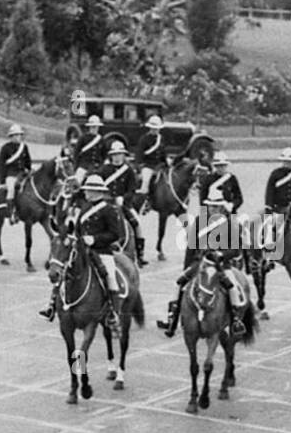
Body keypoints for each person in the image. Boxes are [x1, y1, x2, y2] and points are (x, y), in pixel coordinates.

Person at [38, 175, 124, 331]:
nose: (85, 193)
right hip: (82, 250)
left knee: (111, 278)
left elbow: (115, 234)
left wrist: (95, 239)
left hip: (101, 250)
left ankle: (113, 313)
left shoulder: (109, 210)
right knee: (62, 269)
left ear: (96, 191)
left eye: (88, 190)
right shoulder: (85, 208)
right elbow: (77, 230)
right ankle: (51, 304)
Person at [162, 198, 247, 339]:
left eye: (216, 206)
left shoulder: (230, 224)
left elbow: (236, 250)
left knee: (233, 287)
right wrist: (187, 267)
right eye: (210, 206)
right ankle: (173, 318)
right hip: (200, 264)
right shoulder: (199, 222)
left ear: (221, 208)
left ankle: (236, 321)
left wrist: (221, 254)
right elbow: (191, 247)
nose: (212, 209)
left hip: (220, 265)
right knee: (178, 284)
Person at [101, 140, 146, 266]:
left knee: (137, 223)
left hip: (124, 204)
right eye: (115, 154)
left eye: (119, 154)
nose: (117, 156)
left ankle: (140, 254)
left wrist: (123, 198)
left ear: (123, 155)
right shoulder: (105, 169)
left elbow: (132, 190)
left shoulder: (129, 170)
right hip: (107, 203)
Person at [133, 114, 167, 209]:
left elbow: (163, 153)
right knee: (146, 181)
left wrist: (167, 163)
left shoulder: (161, 139)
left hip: (159, 166)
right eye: (153, 128)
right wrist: (139, 166)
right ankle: (145, 203)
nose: (155, 130)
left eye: (156, 128)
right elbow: (139, 154)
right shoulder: (144, 139)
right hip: (148, 165)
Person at [0, 124, 31, 210]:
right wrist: (2, 181)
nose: (18, 137)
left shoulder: (24, 147)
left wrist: (28, 169)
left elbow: (28, 160)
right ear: (11, 137)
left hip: (23, 173)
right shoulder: (5, 148)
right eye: (16, 135)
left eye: (19, 135)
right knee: (11, 189)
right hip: (12, 174)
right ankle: (10, 210)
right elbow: (1, 165)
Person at [72, 115, 106, 179]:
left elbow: (104, 155)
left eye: (96, 126)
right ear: (89, 127)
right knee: (77, 181)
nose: (94, 128)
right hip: (84, 166)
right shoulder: (83, 138)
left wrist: (102, 166)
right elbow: (76, 153)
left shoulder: (101, 140)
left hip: (97, 167)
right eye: (92, 126)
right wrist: (76, 166)